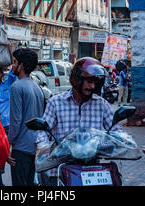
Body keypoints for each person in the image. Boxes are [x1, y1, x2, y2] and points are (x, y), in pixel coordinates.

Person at [36, 57, 123, 186]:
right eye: (88, 81)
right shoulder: (56, 102)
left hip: (91, 170)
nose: (92, 86)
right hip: (61, 168)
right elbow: (42, 131)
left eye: (95, 82)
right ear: (77, 79)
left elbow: (116, 130)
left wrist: (120, 139)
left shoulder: (102, 104)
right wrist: (44, 146)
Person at [7, 48, 44, 187]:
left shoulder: (16, 87)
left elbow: (16, 121)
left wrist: (8, 144)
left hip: (21, 148)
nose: (13, 66)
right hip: (35, 147)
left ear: (21, 66)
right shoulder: (36, 87)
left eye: (15, 62)